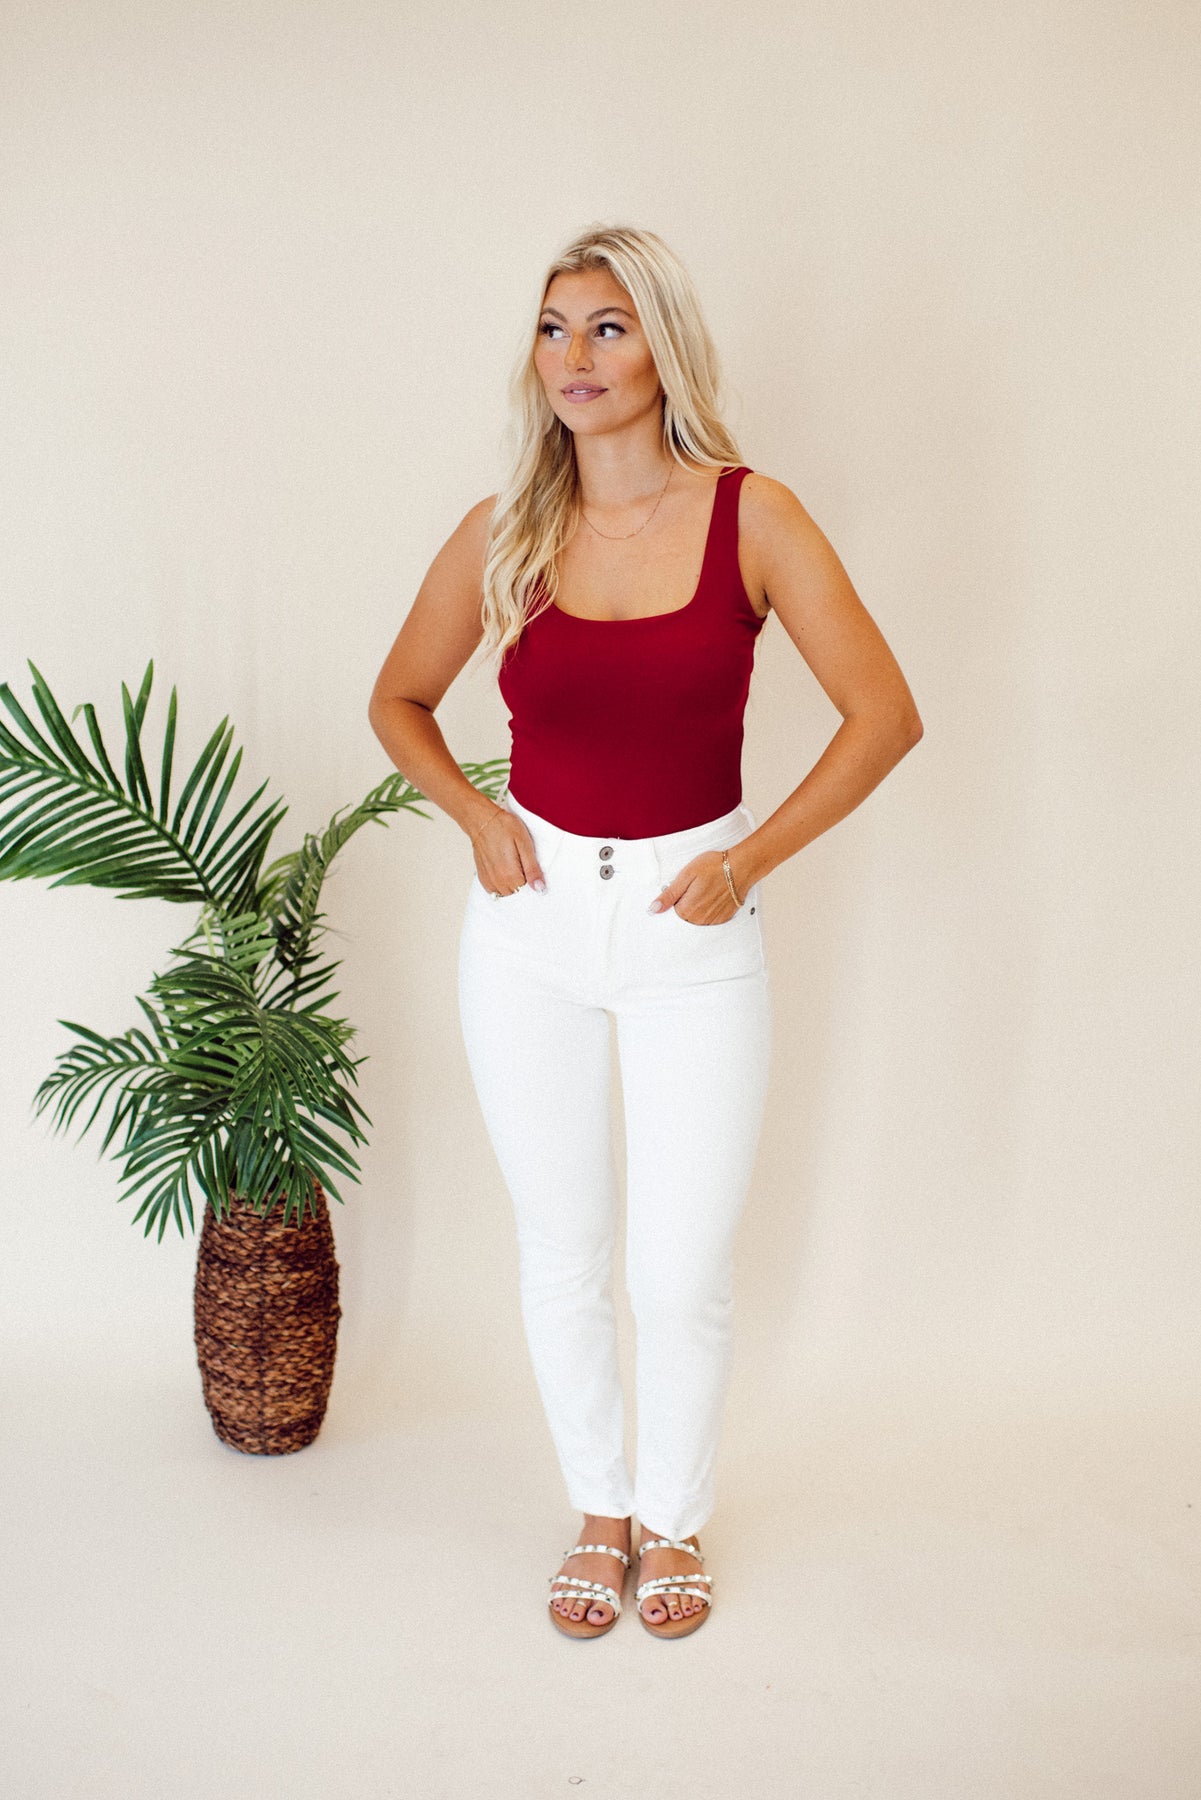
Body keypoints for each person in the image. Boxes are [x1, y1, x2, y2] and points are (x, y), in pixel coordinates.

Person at [368, 222, 923, 1641]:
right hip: (531, 928)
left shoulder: (754, 516)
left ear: (664, 346)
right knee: (561, 1246)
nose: (575, 356)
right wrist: (477, 819)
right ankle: (600, 1509)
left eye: (608, 326)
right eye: (554, 327)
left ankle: (675, 1515)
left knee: (677, 1270)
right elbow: (399, 698)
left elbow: (883, 716)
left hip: (692, 924)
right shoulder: (504, 529)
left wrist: (747, 860)